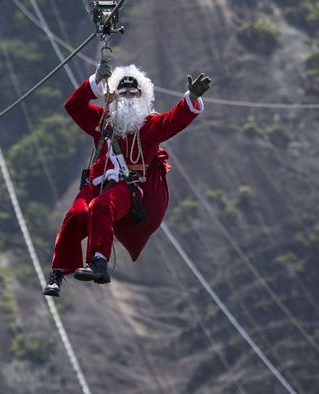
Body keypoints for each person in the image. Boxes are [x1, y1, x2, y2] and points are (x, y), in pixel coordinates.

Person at [42, 58, 211, 297]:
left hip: (128, 189)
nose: (128, 95)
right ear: (114, 95)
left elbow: (174, 119)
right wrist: (96, 81)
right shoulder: (101, 121)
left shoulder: (149, 126)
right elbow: (74, 106)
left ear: (142, 96)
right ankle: (57, 273)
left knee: (101, 207)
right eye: (123, 91)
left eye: (134, 92)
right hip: (96, 184)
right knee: (75, 214)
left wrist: (191, 99)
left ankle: (98, 261)